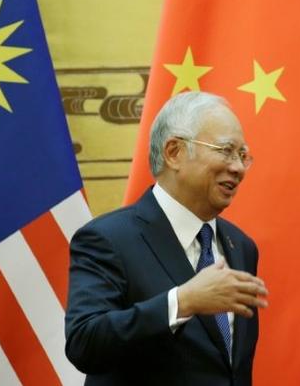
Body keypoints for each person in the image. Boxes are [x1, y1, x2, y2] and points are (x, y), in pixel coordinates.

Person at [65, 91, 268, 386]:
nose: (237, 167)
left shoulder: (242, 246)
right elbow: (85, 342)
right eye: (225, 150)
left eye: (243, 155)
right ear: (174, 152)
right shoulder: (108, 239)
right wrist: (182, 301)